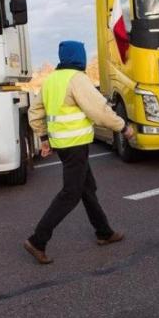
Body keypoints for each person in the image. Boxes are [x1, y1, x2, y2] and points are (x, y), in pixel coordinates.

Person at [24, 40, 134, 264]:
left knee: (87, 188)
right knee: (71, 193)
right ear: (79, 58)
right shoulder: (77, 79)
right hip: (75, 144)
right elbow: (99, 111)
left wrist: (44, 138)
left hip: (63, 145)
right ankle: (37, 240)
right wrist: (123, 127)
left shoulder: (50, 80)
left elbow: (35, 112)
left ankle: (104, 232)